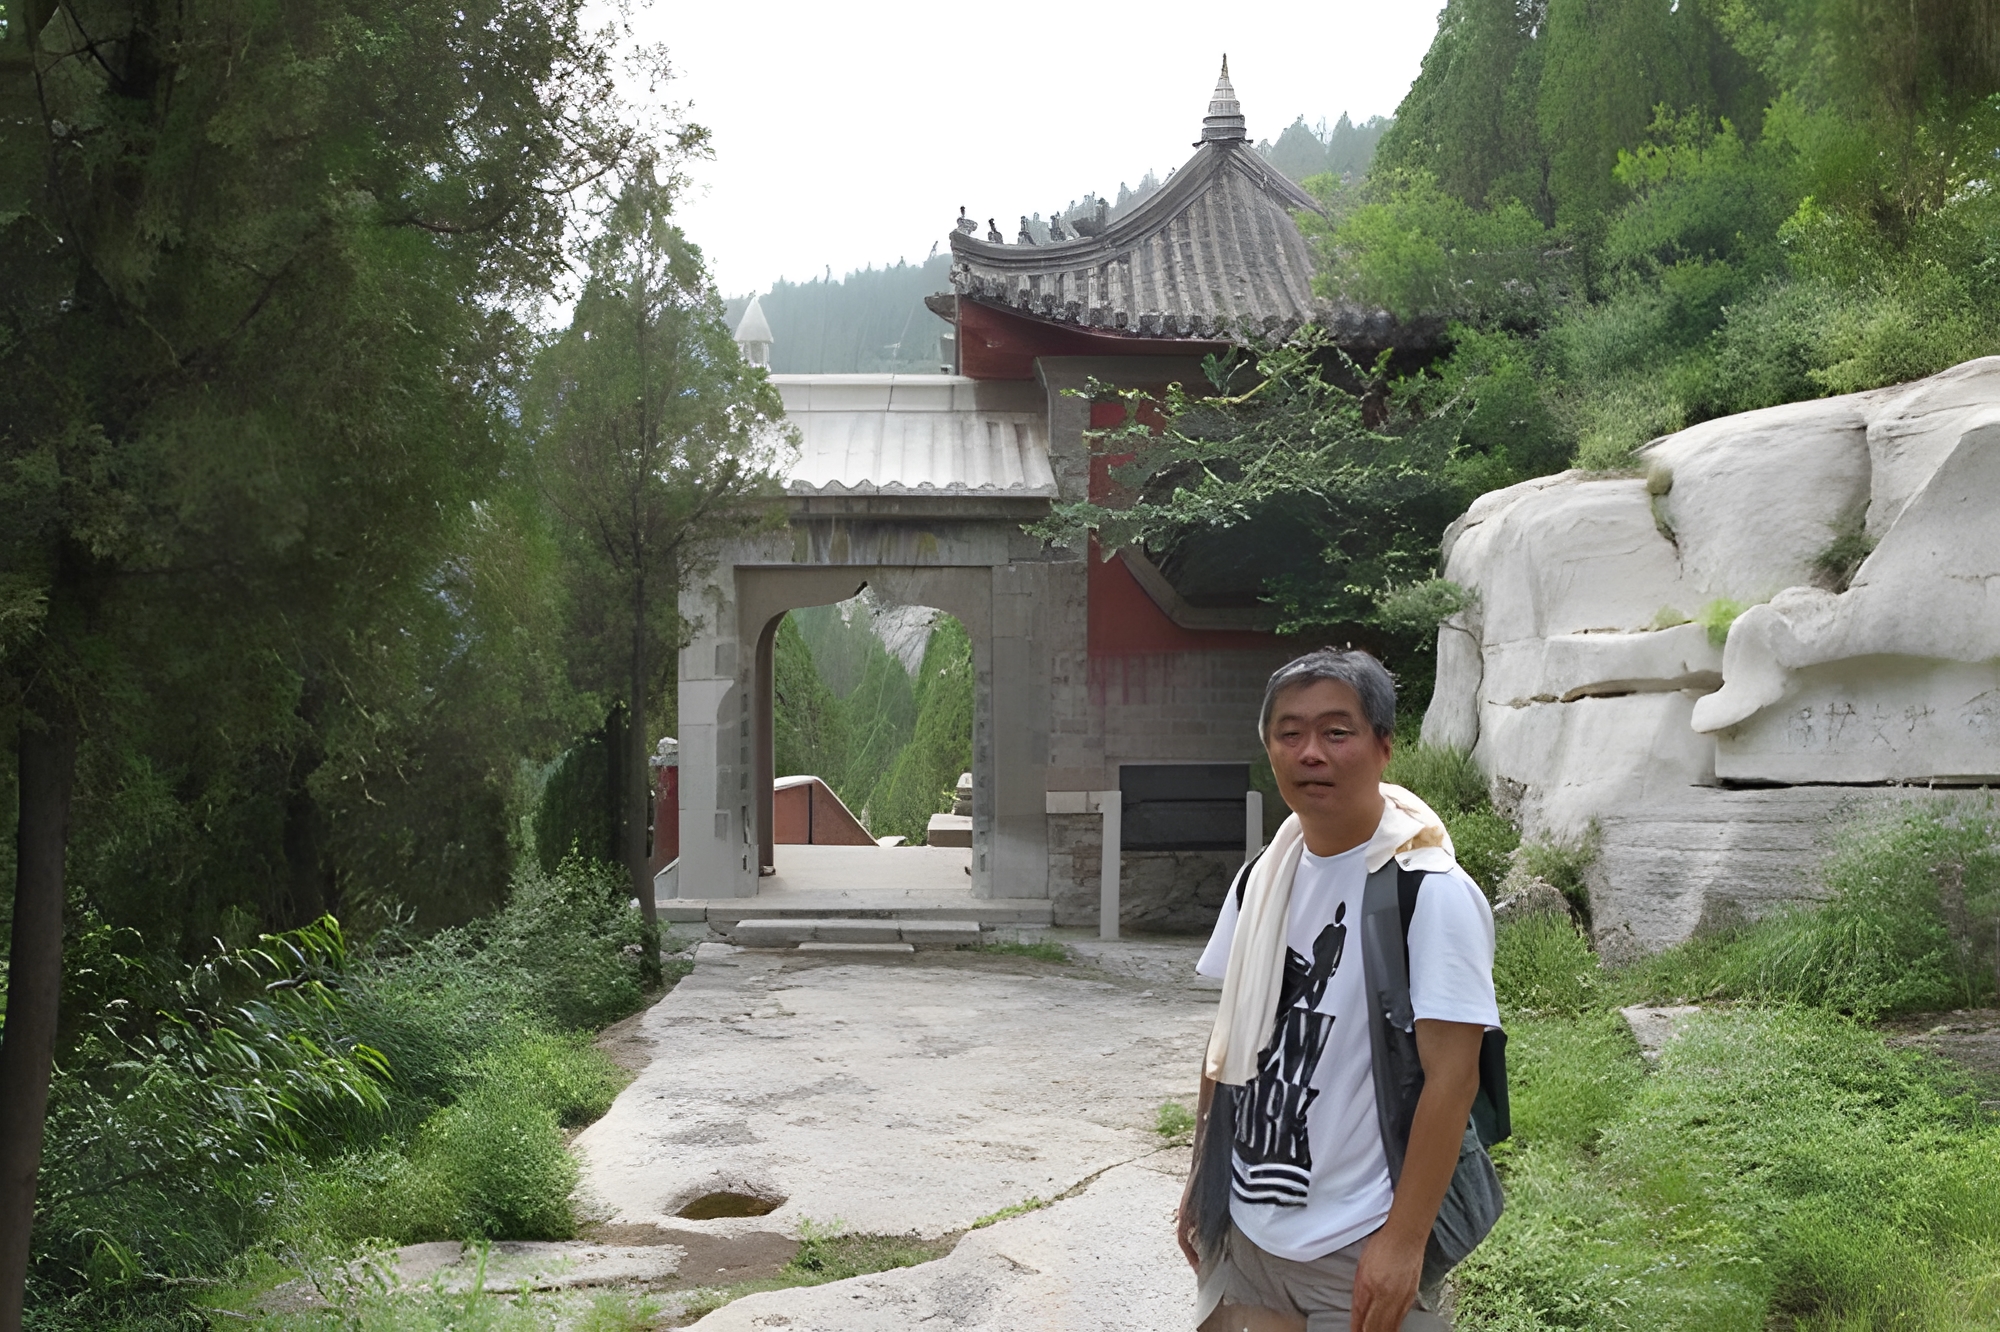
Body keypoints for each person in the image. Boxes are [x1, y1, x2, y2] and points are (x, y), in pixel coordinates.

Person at [1179, 648, 1499, 1332]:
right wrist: (1202, 1179)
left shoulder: (1429, 892)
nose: (1310, 753)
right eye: (1289, 733)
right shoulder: (1262, 879)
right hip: (1248, 1229)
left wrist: (1403, 1242)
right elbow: (1226, 1037)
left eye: (1336, 732)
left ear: (1384, 747)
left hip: (1356, 1242)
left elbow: (1454, 1077)